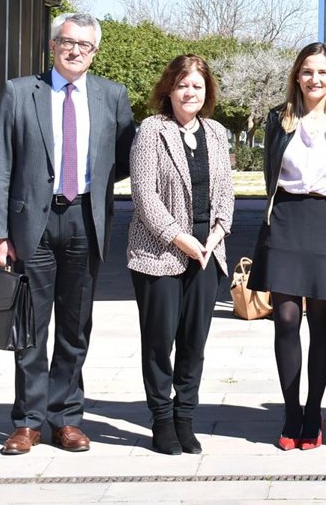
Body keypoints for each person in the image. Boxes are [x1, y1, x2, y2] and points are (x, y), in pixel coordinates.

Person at [0, 12, 134, 455]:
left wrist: (95, 186)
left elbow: (123, 157)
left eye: (84, 45)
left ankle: (66, 418)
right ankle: (28, 422)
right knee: (30, 326)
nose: (75, 50)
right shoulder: (19, 92)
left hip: (85, 220)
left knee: (75, 325)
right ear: (53, 46)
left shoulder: (112, 96)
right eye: (67, 42)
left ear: (95, 52)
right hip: (31, 223)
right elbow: (2, 165)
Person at [248, 42, 326, 451]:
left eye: (322, 72)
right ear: (297, 76)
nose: (314, 79)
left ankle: (314, 411)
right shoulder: (278, 119)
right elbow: (270, 173)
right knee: (285, 319)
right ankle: (291, 411)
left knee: (320, 322)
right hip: (284, 218)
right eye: (307, 71)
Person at [127, 55, 234, 455]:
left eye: (197, 86)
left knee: (194, 341)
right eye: (182, 85)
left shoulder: (216, 132)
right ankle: (161, 420)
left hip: (207, 251)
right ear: (169, 89)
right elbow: (144, 194)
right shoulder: (152, 131)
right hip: (160, 251)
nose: (190, 92)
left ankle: (185, 418)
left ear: (208, 92)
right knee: (160, 341)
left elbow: (226, 191)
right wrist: (178, 237)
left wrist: (218, 232)